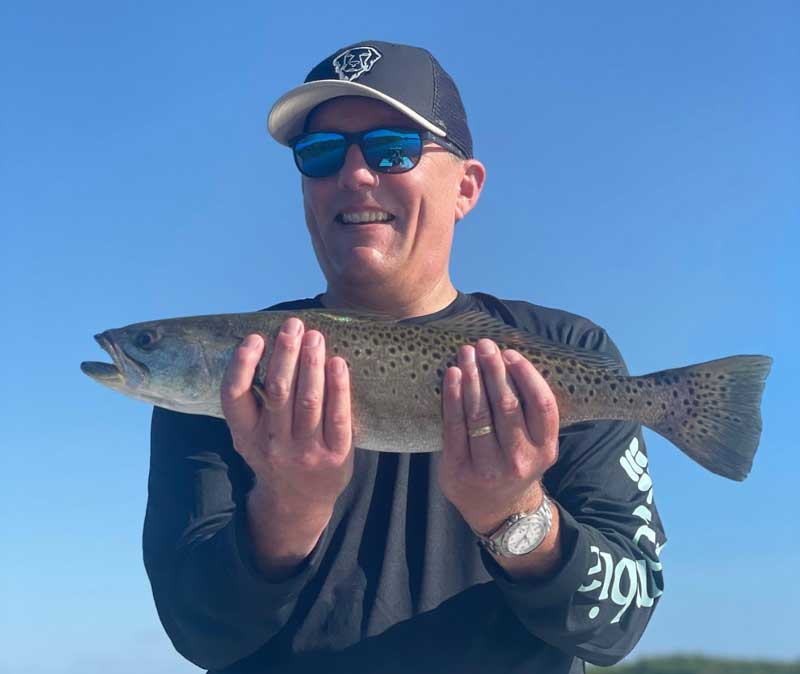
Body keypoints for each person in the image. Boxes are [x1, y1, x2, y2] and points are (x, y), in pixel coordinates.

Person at [144, 40, 666, 674]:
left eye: (394, 149)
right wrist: (289, 507)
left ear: (466, 187)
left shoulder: (572, 352)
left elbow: (619, 623)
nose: (356, 174)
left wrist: (516, 516)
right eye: (321, 154)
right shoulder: (236, 373)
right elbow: (197, 630)